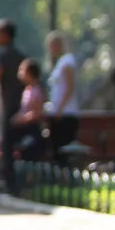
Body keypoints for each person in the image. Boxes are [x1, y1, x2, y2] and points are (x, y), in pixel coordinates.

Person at [0, 19, 25, 191]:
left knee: (7, 146)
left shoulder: (2, 55)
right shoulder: (21, 56)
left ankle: (9, 185)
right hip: (20, 104)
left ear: (5, 35)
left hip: (7, 104)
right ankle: (21, 182)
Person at [44, 30, 80, 158]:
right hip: (58, 113)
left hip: (66, 114)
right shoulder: (59, 63)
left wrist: (59, 109)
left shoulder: (67, 62)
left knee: (64, 152)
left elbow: (70, 87)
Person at [12, 58, 48, 162]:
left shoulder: (36, 91)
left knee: (30, 155)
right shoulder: (27, 90)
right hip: (23, 128)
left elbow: (37, 112)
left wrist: (23, 118)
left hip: (32, 129)